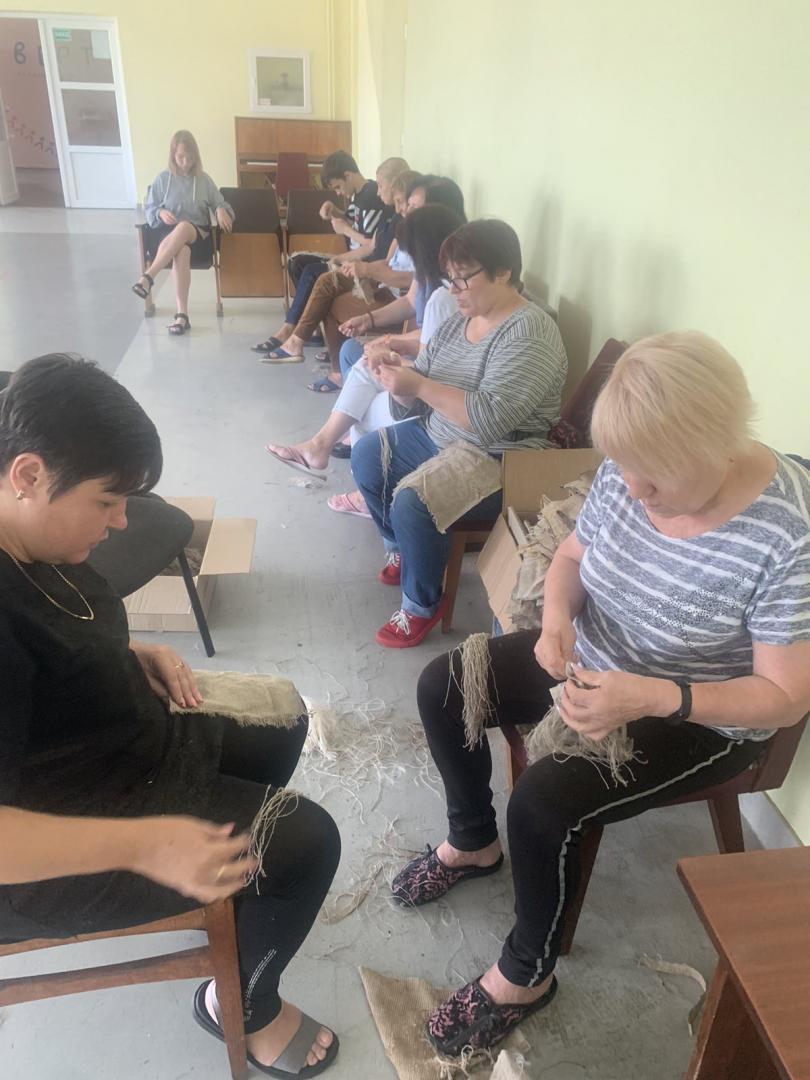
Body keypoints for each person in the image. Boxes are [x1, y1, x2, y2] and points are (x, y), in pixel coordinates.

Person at [392, 330, 810, 1057]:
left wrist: (652, 697)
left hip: (699, 714)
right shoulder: (633, 466)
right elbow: (572, 557)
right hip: (598, 660)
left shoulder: (788, 535)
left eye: (654, 481)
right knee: (445, 686)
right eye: (627, 472)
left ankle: (527, 974)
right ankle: (472, 840)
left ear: (718, 445)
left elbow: (784, 697)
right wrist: (556, 621)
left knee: (543, 801)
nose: (634, 491)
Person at [0, 356, 341, 1077]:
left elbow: (46, 636)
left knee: (282, 723)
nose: (122, 521)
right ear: (27, 475)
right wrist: (144, 846)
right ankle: (244, 1007)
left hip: (81, 750)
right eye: (106, 502)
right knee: (308, 843)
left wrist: (122, 652)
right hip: (33, 857)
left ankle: (226, 898)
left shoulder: (27, 534)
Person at [350, 218, 568, 648]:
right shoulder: (458, 323)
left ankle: (420, 605)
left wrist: (417, 385)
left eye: (464, 278)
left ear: (503, 272)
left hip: (497, 455)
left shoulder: (531, 330)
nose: (454, 289)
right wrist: (395, 377)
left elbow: (491, 421)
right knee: (367, 456)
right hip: (440, 435)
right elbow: (418, 393)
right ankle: (403, 547)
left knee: (413, 501)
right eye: (450, 278)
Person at [265, 204, 464, 516]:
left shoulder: (445, 295)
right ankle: (323, 448)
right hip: (433, 376)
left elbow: (432, 361)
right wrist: (379, 331)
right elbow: (430, 333)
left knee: (364, 404)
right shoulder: (437, 283)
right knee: (361, 363)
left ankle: (367, 492)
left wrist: (392, 351)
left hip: (436, 391)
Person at [257, 157, 412, 388]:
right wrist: (342, 260)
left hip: (388, 294)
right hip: (376, 280)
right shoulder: (393, 218)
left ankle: (297, 339)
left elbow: (396, 275)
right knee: (314, 274)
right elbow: (382, 256)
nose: (379, 192)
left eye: (382, 186)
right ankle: (310, 346)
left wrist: (366, 268)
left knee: (324, 283)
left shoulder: (402, 221)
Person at [252, 151, 388, 358]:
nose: (338, 193)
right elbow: (352, 219)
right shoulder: (360, 195)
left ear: (348, 175)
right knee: (297, 262)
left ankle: (289, 329)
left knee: (312, 271)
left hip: (361, 262)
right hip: (351, 256)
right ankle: (314, 331)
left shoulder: (371, 199)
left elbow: (371, 245)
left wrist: (345, 232)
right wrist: (334, 210)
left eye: (338, 187)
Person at [132, 131, 234, 336]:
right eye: (180, 157)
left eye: (190, 157)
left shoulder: (203, 180)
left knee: (185, 227)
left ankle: (148, 277)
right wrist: (160, 212)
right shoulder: (163, 179)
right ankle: (182, 316)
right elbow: (150, 209)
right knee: (182, 251)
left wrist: (220, 209)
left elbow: (221, 203)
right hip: (168, 237)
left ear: (196, 156)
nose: (186, 162)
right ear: (173, 155)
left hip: (198, 237)